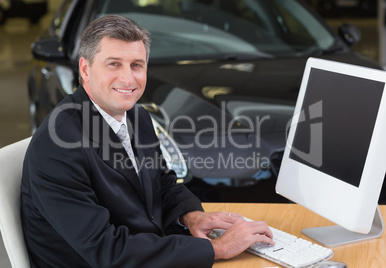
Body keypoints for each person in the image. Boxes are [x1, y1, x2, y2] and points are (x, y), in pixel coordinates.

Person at [20, 14, 274, 268]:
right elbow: (108, 251)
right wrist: (217, 248)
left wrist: (189, 215)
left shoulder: (135, 115)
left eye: (136, 65)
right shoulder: (59, 145)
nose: (128, 79)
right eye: (114, 64)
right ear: (85, 69)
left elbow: (160, 181)